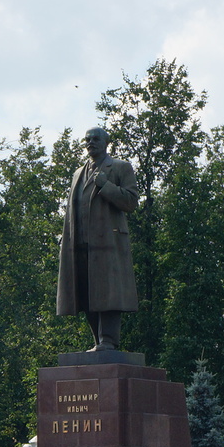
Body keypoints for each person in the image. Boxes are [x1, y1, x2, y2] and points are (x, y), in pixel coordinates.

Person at [56, 126, 139, 351]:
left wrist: (106, 185)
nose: (90, 142)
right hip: (80, 244)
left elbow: (131, 202)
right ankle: (98, 342)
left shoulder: (120, 167)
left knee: (108, 293)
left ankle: (108, 341)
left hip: (109, 244)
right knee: (86, 293)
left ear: (106, 143)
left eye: (95, 139)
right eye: (87, 139)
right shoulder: (77, 174)